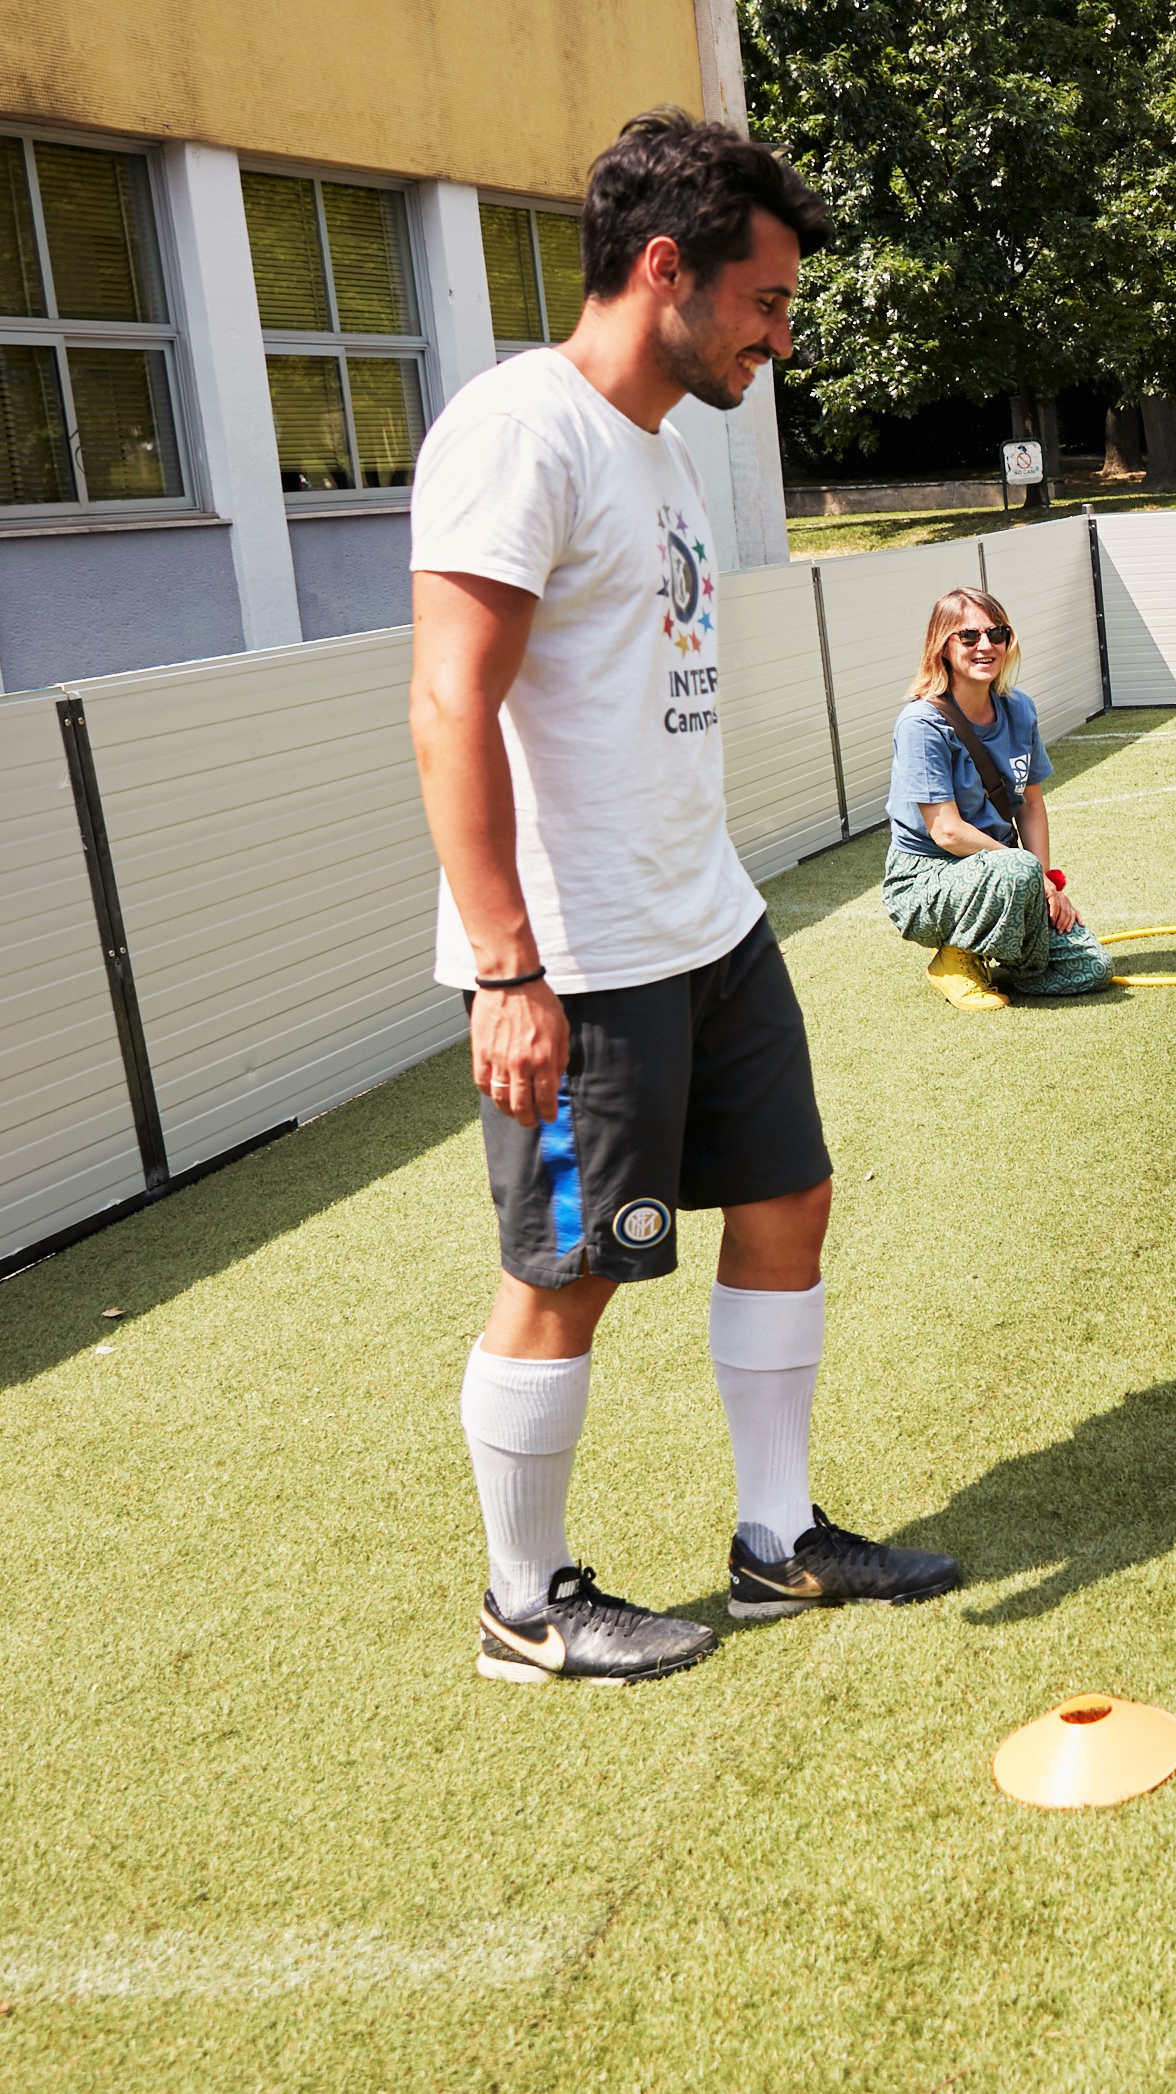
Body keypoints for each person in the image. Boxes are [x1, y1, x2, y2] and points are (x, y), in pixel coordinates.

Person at [407, 111, 957, 1688]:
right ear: (667, 268)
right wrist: (507, 968)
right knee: (568, 1273)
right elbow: (449, 701)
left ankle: (777, 1540)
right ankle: (526, 1603)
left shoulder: (655, 448)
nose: (779, 338)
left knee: (789, 1202)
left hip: (705, 921)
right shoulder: (519, 431)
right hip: (580, 957)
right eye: (765, 303)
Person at [880, 587, 1112, 1008]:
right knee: (1019, 868)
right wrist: (1034, 878)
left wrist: (1045, 882)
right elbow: (947, 832)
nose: (985, 646)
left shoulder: (1019, 708)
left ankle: (1004, 957)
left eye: (997, 633)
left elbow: (1031, 804)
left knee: (1091, 967)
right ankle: (954, 960)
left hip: (1006, 871)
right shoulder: (921, 723)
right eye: (969, 636)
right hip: (925, 879)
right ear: (943, 647)